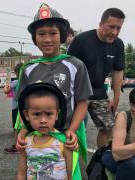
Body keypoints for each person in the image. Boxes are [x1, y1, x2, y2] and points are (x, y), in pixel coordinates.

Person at [15, 4, 93, 179]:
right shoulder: (28, 69)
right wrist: (22, 131)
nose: (47, 39)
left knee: (70, 173)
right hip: (37, 137)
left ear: (63, 36)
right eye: (41, 34)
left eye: (53, 33)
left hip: (66, 135)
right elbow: (23, 106)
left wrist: (72, 130)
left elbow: (82, 103)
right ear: (35, 37)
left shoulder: (75, 65)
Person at [68, 8, 125, 148]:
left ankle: (100, 161)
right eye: (111, 27)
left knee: (108, 127)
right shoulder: (81, 40)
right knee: (70, 128)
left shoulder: (118, 44)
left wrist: (116, 97)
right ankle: (67, 162)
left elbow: (118, 71)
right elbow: (68, 69)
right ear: (101, 24)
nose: (115, 32)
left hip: (98, 91)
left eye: (118, 28)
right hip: (77, 92)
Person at [16, 82, 72, 180]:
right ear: (26, 115)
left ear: (57, 114)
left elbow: (71, 174)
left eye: (49, 114)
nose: (43, 120)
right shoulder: (25, 143)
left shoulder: (64, 142)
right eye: (36, 114)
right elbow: (21, 174)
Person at [102, 86, 135, 180]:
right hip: (113, 156)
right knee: (134, 164)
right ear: (133, 106)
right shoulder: (124, 117)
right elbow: (116, 153)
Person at [3, 63, 23, 153]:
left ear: (16, 72)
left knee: (16, 125)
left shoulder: (15, 82)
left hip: (16, 106)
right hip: (23, 106)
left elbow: (7, 91)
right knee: (22, 124)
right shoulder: (25, 81)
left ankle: (16, 144)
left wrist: (5, 87)